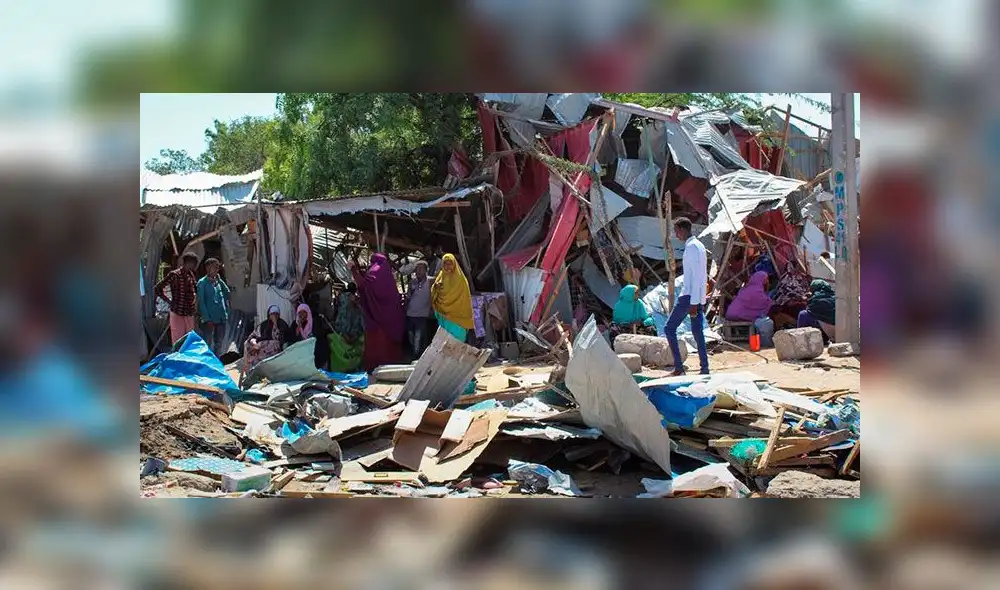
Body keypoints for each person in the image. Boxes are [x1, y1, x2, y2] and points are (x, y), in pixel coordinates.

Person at [665, 217, 710, 375]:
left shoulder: (691, 247)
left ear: (683, 230)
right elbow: (701, 276)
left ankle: (678, 367)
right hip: (695, 296)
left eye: (677, 231)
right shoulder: (699, 246)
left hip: (689, 296)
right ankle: (704, 368)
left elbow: (696, 276)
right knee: (698, 332)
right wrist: (700, 300)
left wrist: (693, 302)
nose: (676, 235)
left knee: (669, 328)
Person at [351, 253, 406, 372]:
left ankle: (375, 367)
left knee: (378, 346)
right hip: (392, 318)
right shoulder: (388, 277)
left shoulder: (374, 272)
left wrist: (353, 270)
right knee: (390, 348)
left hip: (377, 319)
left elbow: (364, 285)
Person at [154, 252, 199, 345]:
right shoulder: (174, 275)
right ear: (189, 263)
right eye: (194, 263)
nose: (195, 266)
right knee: (178, 340)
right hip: (177, 312)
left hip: (189, 313)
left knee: (189, 340)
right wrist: (169, 301)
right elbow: (158, 288)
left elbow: (195, 290)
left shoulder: (191, 275)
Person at [431, 253, 474, 342]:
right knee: (445, 343)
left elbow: (465, 300)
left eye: (450, 263)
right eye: (445, 264)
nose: (447, 266)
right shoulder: (440, 278)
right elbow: (434, 294)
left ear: (454, 264)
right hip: (444, 317)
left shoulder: (461, 280)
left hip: (458, 318)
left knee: (457, 344)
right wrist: (436, 288)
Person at [195, 257, 231, 358]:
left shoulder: (218, 282)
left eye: (217, 267)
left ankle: (217, 361)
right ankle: (207, 362)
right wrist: (207, 318)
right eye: (214, 267)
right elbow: (201, 302)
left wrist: (220, 281)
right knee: (208, 342)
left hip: (221, 317)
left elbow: (227, 293)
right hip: (209, 319)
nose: (216, 269)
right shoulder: (202, 283)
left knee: (219, 342)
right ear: (208, 268)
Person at [329, 283, 365, 372]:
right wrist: (345, 335)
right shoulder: (346, 308)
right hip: (344, 335)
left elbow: (360, 325)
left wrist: (353, 336)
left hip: (351, 335)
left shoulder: (356, 309)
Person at [243, 305, 290, 373]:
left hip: (274, 347)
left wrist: (275, 324)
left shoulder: (282, 324)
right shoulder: (263, 325)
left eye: (276, 314)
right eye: (272, 314)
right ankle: (251, 370)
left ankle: (267, 369)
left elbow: (280, 339)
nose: (274, 316)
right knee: (247, 344)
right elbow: (252, 336)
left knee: (273, 344)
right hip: (259, 346)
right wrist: (255, 344)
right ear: (269, 315)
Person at [403, 259, 434, 359]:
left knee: (418, 338)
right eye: (417, 269)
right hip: (410, 314)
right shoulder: (412, 282)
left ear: (426, 270)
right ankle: (416, 356)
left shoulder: (430, 281)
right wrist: (405, 309)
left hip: (422, 315)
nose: (418, 271)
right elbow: (408, 297)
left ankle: (417, 358)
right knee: (411, 337)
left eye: (421, 269)